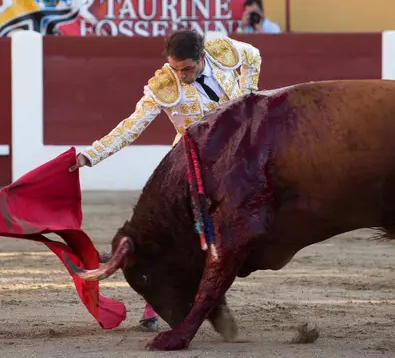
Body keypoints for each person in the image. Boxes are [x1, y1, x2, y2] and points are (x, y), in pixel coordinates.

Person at [68, 29, 263, 330]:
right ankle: (155, 305)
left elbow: (253, 56)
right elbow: (131, 126)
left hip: (236, 151)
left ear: (202, 57)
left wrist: (245, 99)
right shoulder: (164, 86)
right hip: (192, 159)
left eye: (187, 69)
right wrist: (90, 155)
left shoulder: (221, 51)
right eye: (175, 69)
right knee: (170, 230)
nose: (181, 76)